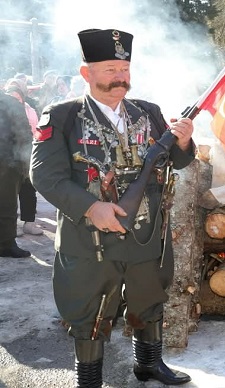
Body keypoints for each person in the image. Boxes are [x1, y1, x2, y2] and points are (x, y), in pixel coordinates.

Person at [30, 28, 195, 386]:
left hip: (146, 232)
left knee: (149, 295)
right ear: (86, 73)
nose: (120, 77)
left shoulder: (148, 111)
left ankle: (149, 364)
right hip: (90, 238)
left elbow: (176, 161)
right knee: (88, 306)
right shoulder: (61, 116)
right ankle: (89, 379)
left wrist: (184, 142)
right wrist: (91, 207)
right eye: (109, 69)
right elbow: (44, 175)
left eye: (124, 68)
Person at [4, 79, 43, 236]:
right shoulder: (4, 111)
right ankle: (11, 227)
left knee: (29, 190)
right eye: (12, 95)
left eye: (18, 95)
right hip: (9, 158)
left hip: (28, 153)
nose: (15, 99)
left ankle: (29, 223)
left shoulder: (30, 108)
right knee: (10, 194)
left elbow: (35, 129)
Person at [0, 91, 33, 258]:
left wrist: (26, 162)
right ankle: (6, 244)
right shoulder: (10, 102)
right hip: (7, 163)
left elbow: (23, 133)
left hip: (8, 161)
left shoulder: (10, 103)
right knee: (6, 205)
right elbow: (24, 133)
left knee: (7, 204)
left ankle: (6, 243)